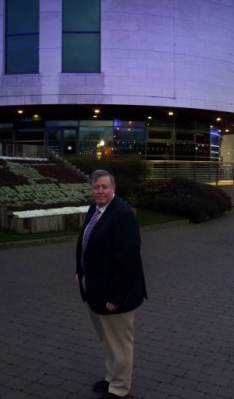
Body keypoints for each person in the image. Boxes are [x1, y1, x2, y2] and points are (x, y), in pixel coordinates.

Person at [75, 169, 147, 399]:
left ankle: (120, 389)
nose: (100, 191)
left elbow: (128, 260)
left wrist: (116, 297)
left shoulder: (123, 214)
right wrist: (80, 271)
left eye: (104, 187)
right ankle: (111, 378)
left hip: (116, 295)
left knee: (120, 344)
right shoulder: (95, 209)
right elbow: (86, 241)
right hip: (97, 289)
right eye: (96, 187)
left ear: (113, 188)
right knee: (107, 341)